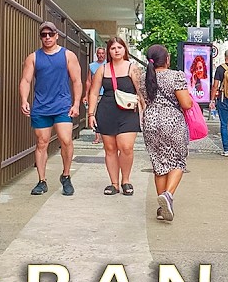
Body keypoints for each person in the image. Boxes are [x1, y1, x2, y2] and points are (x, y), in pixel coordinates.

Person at [19, 21, 83, 196]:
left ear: (56, 35)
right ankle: (41, 181)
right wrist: (24, 100)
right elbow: (25, 80)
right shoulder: (33, 57)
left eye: (50, 34)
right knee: (41, 143)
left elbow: (77, 80)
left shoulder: (68, 55)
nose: (47, 37)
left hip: (62, 105)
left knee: (66, 140)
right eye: (43, 35)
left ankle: (66, 175)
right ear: (40, 37)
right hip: (41, 106)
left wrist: (76, 104)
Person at [139, 44, 193, 223]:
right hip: (171, 121)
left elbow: (145, 99)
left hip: (151, 121)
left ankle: (163, 207)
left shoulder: (143, 77)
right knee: (178, 160)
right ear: (167, 59)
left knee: (159, 162)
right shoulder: (175, 76)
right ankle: (168, 196)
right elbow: (186, 103)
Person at [87, 37, 142, 196]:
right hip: (107, 110)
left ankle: (126, 180)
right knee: (110, 149)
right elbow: (94, 92)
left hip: (128, 111)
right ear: (109, 51)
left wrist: (145, 112)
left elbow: (141, 92)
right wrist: (91, 113)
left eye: (119, 47)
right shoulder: (102, 70)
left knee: (126, 147)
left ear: (125, 49)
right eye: (113, 48)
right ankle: (114, 183)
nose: (116, 50)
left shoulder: (132, 68)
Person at [84, 46, 108, 144]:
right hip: (96, 94)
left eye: (103, 53)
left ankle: (106, 135)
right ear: (96, 54)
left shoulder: (108, 65)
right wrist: (86, 95)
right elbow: (88, 81)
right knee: (95, 114)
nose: (101, 55)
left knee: (106, 116)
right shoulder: (92, 66)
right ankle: (97, 136)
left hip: (107, 93)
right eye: (99, 53)